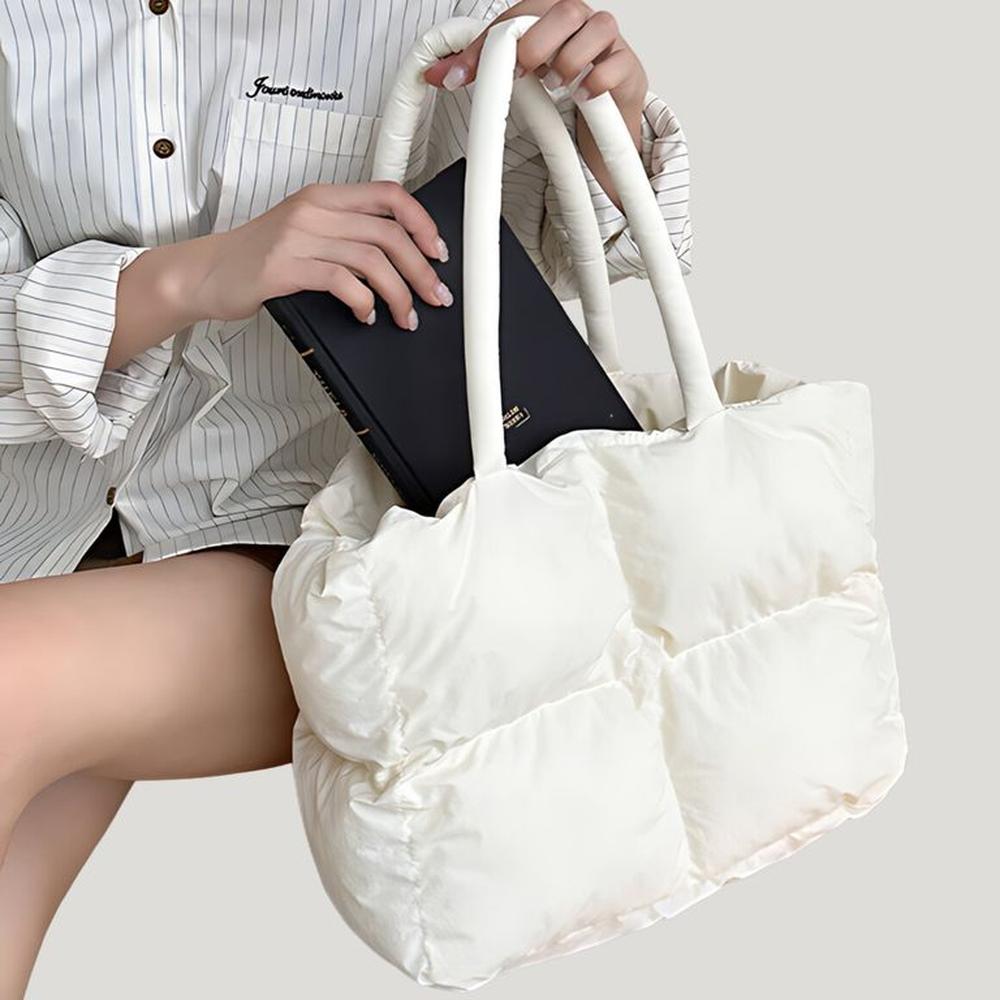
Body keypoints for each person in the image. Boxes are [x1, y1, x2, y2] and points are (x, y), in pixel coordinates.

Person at [0, 0, 693, 993]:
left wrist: (603, 112)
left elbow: (559, 251)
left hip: (334, 547)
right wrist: (185, 279)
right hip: (40, 530)